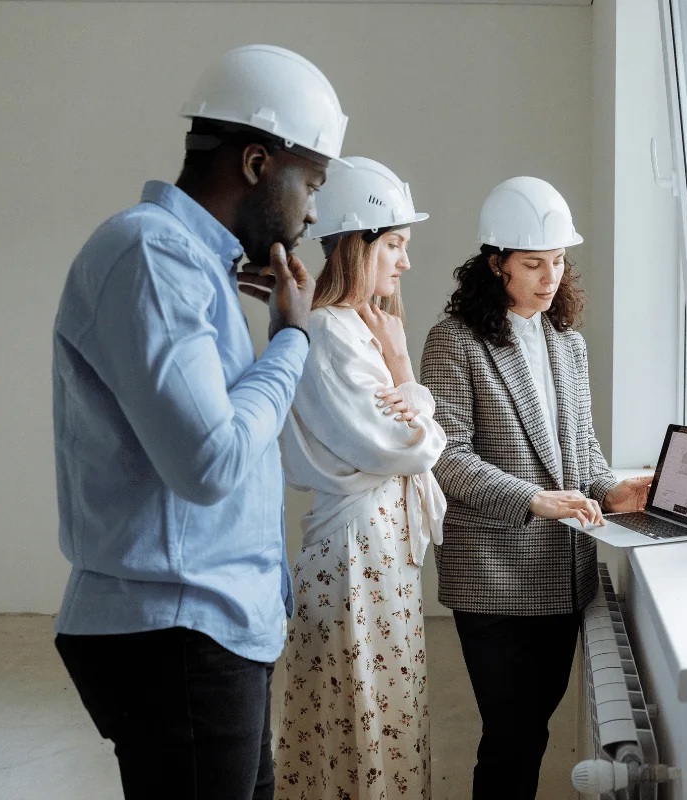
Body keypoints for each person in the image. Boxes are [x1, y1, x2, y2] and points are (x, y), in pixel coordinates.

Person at [51, 44, 347, 800]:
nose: (314, 211)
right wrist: (289, 339)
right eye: (310, 182)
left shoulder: (189, 264)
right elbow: (210, 463)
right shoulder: (151, 251)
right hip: (175, 635)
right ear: (256, 163)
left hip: (204, 632)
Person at [420, 177, 653, 800]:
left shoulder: (566, 345)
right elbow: (447, 457)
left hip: (561, 571)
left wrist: (615, 493)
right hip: (492, 573)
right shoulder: (454, 340)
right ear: (496, 264)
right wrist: (532, 500)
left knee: (532, 733)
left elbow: (582, 458)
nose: (549, 278)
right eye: (533, 264)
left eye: (557, 262)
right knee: (510, 734)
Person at [273, 157, 447, 800]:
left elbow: (412, 437)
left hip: (374, 546)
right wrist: (407, 375)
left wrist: (409, 389)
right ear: (356, 245)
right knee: (356, 711)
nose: (403, 263)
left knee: (383, 707)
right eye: (395, 246)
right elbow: (404, 444)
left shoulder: (358, 327)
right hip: (354, 548)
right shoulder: (331, 331)